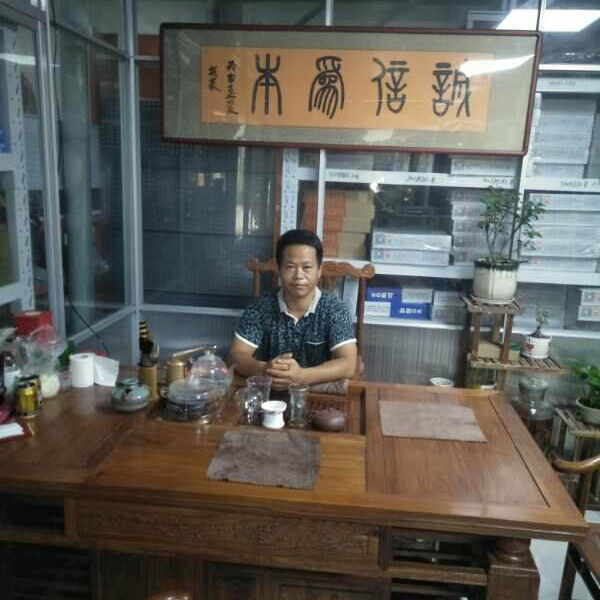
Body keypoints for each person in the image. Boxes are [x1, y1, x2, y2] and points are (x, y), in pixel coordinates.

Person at [229, 229, 357, 389]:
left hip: (316, 393)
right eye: (290, 266)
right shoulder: (261, 307)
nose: (298, 275)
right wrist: (264, 369)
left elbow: (349, 364)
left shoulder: (334, 309)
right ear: (279, 269)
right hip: (271, 391)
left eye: (307, 267)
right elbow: (236, 355)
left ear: (319, 270)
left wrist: (301, 376)